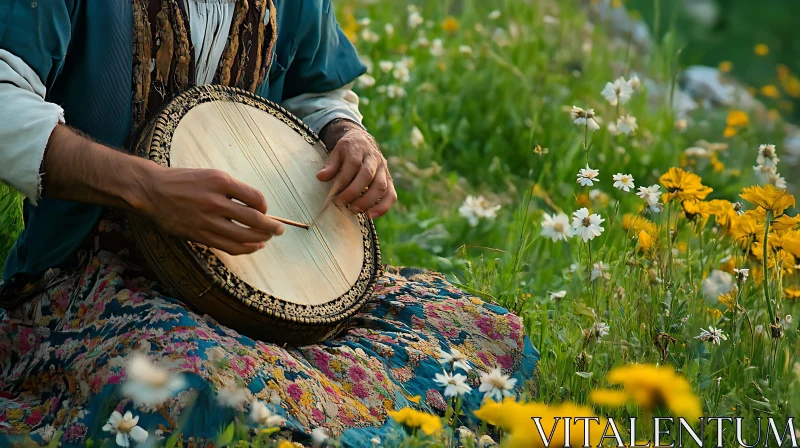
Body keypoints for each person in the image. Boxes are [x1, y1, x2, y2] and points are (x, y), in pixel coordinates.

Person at [0, 1, 539, 446]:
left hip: (264, 266)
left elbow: (316, 90)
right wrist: (149, 189)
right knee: (203, 393)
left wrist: (347, 135)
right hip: (94, 270)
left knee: (470, 332)